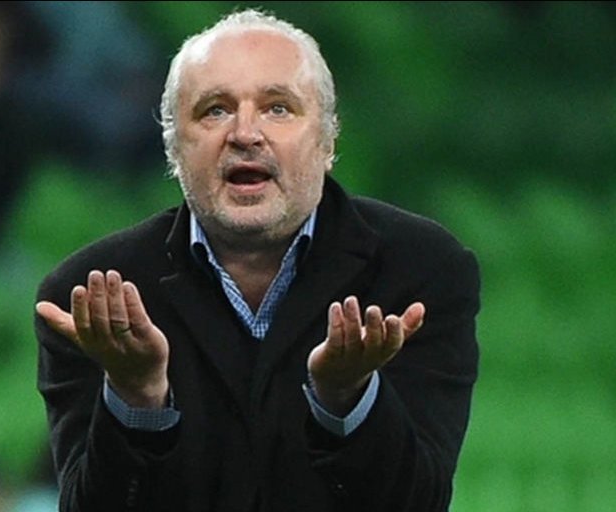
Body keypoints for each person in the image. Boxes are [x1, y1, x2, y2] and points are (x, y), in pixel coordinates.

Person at [34, 9, 480, 512]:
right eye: (215, 111)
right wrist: (137, 395)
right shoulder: (88, 298)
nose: (245, 133)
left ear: (327, 141)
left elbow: (419, 504)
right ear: (174, 148)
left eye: (278, 108)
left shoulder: (423, 270)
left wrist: (349, 398)